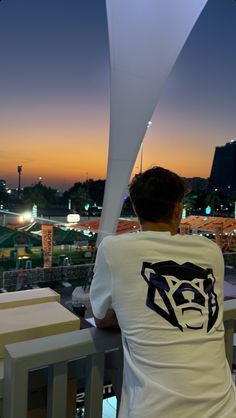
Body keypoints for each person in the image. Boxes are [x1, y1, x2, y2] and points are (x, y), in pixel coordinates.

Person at [90, 166, 236, 418]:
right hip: (223, 406)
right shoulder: (210, 251)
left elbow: (101, 317)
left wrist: (135, 315)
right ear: (177, 209)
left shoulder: (113, 250)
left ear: (136, 209)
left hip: (154, 409)